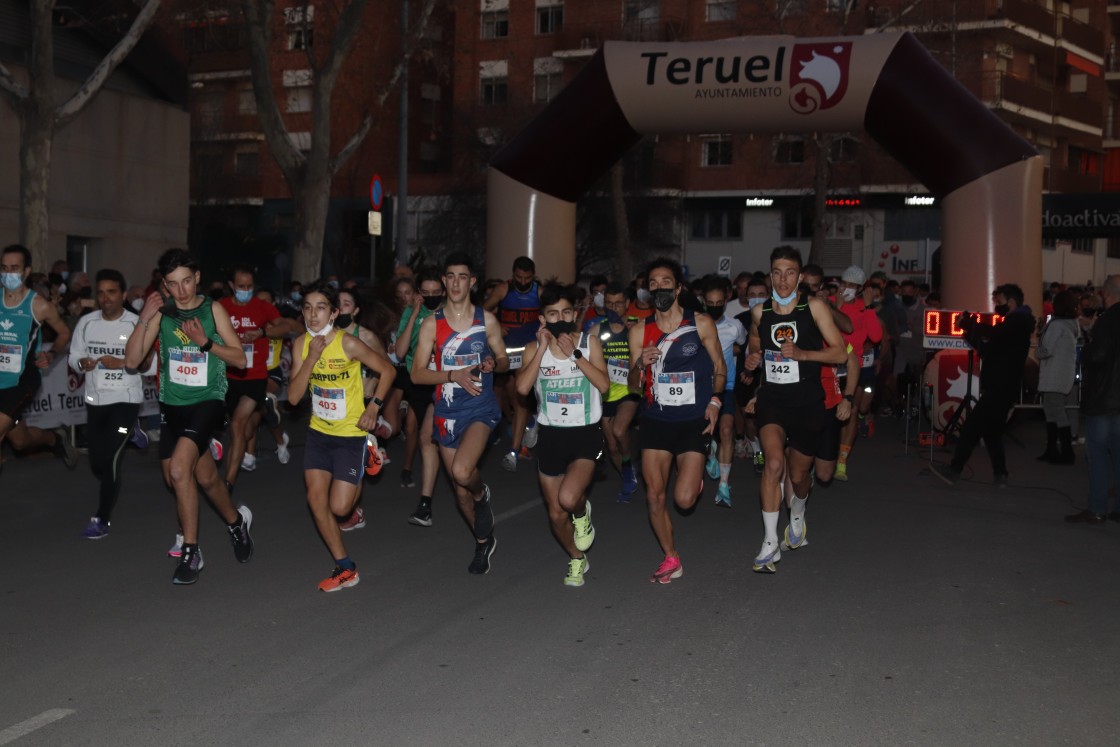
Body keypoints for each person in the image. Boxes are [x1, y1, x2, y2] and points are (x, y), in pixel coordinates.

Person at [124, 248, 253, 585]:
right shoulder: (163, 315)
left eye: (186, 281)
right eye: (172, 284)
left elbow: (240, 360)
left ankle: (191, 552)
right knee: (201, 478)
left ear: (197, 277)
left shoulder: (214, 310)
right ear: (164, 286)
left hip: (208, 401)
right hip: (173, 406)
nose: (181, 291)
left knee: (180, 469)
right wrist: (143, 318)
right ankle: (237, 522)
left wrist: (206, 344)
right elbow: (131, 361)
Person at [742, 246, 847, 573]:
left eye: (789, 272)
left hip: (807, 403)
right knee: (773, 463)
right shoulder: (760, 313)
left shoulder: (813, 307)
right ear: (770, 275)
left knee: (800, 478)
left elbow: (841, 354)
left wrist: (804, 354)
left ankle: (798, 512)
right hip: (773, 400)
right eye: (776, 272)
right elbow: (755, 351)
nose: (782, 279)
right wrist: (752, 362)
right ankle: (770, 542)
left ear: (800, 277)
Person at [287, 281, 396, 591]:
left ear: (333, 313)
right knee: (315, 498)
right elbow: (294, 399)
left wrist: (374, 407)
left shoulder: (348, 343)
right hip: (319, 432)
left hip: (351, 432)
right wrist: (310, 358)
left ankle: (367, 449)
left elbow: (388, 370)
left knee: (340, 509)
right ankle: (345, 567)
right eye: (307, 308)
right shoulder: (299, 345)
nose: (313, 314)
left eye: (321, 307)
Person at [628, 258, 726, 584]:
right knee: (655, 496)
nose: (659, 288)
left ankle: (694, 475)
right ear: (647, 290)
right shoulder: (640, 332)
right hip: (656, 420)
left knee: (683, 500)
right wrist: (640, 365)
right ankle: (671, 557)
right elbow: (631, 386)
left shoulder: (700, 324)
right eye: (653, 283)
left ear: (678, 287)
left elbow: (720, 368)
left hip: (692, 420)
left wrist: (714, 402)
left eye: (666, 282)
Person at [411, 252, 509, 574]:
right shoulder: (431, 324)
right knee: (459, 495)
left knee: (463, 473)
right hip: (446, 411)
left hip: (480, 409)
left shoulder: (486, 320)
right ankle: (484, 543)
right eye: (450, 276)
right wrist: (454, 375)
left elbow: (505, 360)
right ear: (443, 282)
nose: (455, 283)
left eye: (462, 276)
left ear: (472, 282)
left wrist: (496, 363)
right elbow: (416, 375)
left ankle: (483, 495)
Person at [515, 284, 610, 586]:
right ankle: (576, 558)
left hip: (585, 434)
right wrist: (542, 347)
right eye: (553, 314)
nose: (560, 318)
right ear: (543, 318)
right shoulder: (533, 350)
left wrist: (576, 354)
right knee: (556, 514)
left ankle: (582, 512)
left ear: (574, 313)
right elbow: (521, 389)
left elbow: (605, 386)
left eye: (566, 312)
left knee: (569, 499)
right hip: (551, 435)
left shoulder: (591, 343)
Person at [69, 268, 155, 538]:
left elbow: (151, 367)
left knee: (112, 457)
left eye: (112, 292)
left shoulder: (135, 325)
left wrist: (124, 363)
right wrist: (81, 363)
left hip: (126, 402)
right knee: (96, 462)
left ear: (123, 295)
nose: (106, 298)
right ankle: (131, 433)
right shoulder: (87, 323)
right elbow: (74, 356)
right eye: (101, 293)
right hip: (96, 401)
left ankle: (101, 519)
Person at [932, 284, 1034, 486]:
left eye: (999, 302)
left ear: (1011, 301)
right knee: (991, 432)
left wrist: (972, 325)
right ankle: (1000, 474)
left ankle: (955, 469)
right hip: (1003, 386)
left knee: (972, 427)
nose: (996, 306)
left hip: (1000, 386)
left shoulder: (1017, 322)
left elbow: (993, 339)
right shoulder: (1017, 323)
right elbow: (987, 348)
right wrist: (970, 330)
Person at [0, 244, 77, 470]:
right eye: (4, 268)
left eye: (14, 268)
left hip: (21, 381)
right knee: (20, 442)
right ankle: (55, 439)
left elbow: (64, 333)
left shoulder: (39, 306)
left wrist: (52, 354)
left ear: (26, 272)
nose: (8, 274)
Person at [219, 265, 285, 492]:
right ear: (231, 286)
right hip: (227, 377)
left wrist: (264, 332)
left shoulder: (263, 307)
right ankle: (263, 417)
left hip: (255, 375)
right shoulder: (221, 308)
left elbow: (285, 326)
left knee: (237, 425)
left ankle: (228, 482)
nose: (246, 290)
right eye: (241, 286)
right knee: (242, 430)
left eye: (249, 286)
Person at [1065, 275, 1120, 524]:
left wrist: (1087, 344)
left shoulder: (1107, 321)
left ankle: (1096, 508)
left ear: (1107, 294)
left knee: (1097, 453)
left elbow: (1097, 356)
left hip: (1104, 397)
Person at [393, 268, 444, 526]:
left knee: (428, 437)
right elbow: (400, 353)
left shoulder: (452, 315)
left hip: (445, 383)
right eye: (426, 293)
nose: (431, 297)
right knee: (426, 437)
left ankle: (426, 504)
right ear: (418, 294)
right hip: (419, 382)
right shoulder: (411, 313)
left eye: (437, 293)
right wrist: (415, 313)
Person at [484, 255, 540, 471]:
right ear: (513, 275)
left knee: (520, 396)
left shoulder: (539, 292)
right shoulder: (503, 289)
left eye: (527, 278)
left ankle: (515, 449)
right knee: (502, 392)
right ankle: (525, 424)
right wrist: (496, 325)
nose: (523, 282)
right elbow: (482, 311)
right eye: (519, 277)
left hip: (528, 351)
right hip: (505, 350)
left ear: (533, 276)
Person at [699, 275, 746, 507]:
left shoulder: (734, 326)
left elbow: (742, 346)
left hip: (725, 386)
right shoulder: (694, 325)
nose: (715, 306)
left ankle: (724, 485)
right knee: (705, 432)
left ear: (726, 301)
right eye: (711, 302)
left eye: (720, 302)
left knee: (726, 429)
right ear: (703, 300)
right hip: (699, 388)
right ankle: (711, 451)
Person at [833, 265, 884, 481]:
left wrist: (870, 307)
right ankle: (826, 454)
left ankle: (842, 461)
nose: (847, 289)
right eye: (844, 284)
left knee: (853, 412)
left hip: (857, 366)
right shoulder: (832, 304)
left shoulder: (866, 308)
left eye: (853, 286)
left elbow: (876, 336)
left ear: (861, 288)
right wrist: (836, 307)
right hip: (833, 366)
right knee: (830, 414)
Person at [598, 283, 641, 501]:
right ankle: (627, 474)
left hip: (629, 389)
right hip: (606, 392)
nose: (614, 307)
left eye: (618, 303)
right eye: (609, 303)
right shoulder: (597, 329)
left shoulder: (635, 328)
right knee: (612, 446)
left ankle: (627, 466)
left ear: (626, 305)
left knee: (619, 430)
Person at [1036, 290, 1080, 465]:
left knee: (1056, 412)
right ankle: (1053, 449)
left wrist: (1037, 351)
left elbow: (1046, 349)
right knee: (1052, 410)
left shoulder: (1057, 325)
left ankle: (1065, 452)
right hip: (1063, 373)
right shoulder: (1072, 325)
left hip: (1053, 374)